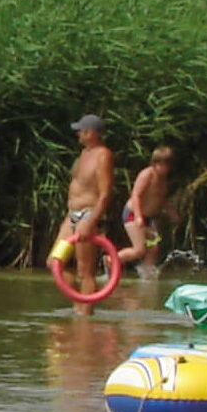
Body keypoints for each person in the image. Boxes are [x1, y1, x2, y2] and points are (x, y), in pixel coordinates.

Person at [56, 114, 115, 302]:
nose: (78, 135)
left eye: (80, 131)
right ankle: (78, 304)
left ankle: (84, 318)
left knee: (84, 271)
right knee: (54, 262)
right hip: (72, 214)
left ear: (90, 133)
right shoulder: (84, 153)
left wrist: (91, 221)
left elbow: (105, 193)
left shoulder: (103, 155)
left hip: (87, 214)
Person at [116, 145, 173, 274]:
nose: (165, 168)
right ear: (155, 163)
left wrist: (172, 213)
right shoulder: (147, 174)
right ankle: (112, 260)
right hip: (133, 213)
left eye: (167, 165)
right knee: (139, 249)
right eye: (162, 164)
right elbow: (136, 195)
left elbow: (161, 199)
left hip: (149, 217)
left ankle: (146, 273)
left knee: (153, 248)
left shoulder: (163, 179)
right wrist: (138, 215)